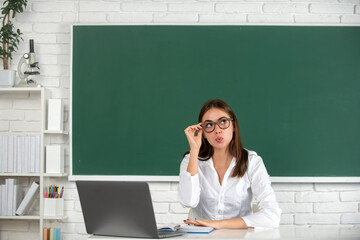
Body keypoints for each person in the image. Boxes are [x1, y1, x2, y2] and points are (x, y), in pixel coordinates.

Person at [178, 99, 281, 229]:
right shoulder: (190, 159)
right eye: (209, 125)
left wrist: (218, 224)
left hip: (238, 236)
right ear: (202, 132)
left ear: (233, 126)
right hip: (200, 236)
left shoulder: (252, 161)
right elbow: (188, 202)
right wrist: (194, 149)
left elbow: (272, 216)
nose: (217, 130)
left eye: (223, 122)